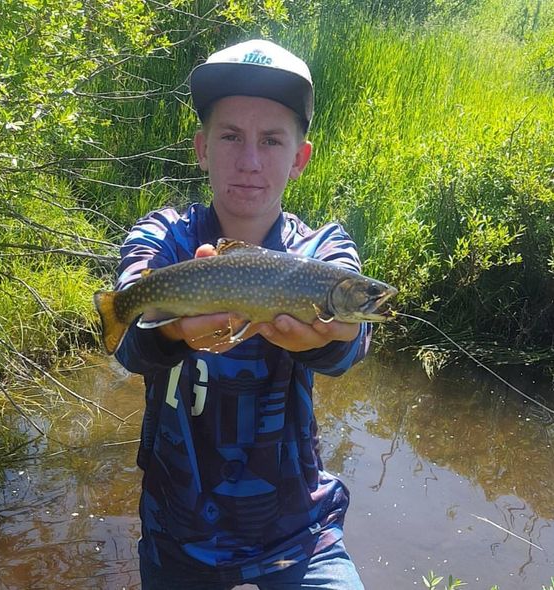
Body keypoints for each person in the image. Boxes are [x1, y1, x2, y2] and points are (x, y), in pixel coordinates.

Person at [115, 39, 371, 590]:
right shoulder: (163, 238)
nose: (249, 161)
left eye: (271, 140)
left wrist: (332, 340)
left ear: (299, 158)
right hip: (176, 533)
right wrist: (172, 331)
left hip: (299, 532)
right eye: (231, 137)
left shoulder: (323, 252)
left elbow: (351, 345)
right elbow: (129, 340)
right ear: (202, 148)